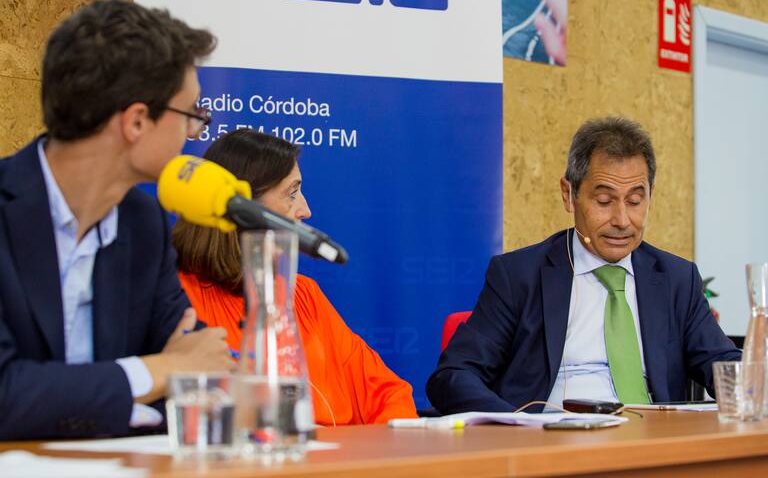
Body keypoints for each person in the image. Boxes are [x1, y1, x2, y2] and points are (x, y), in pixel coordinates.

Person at [0, 0, 232, 440]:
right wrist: (157, 372)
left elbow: (199, 369)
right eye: (191, 115)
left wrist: (171, 372)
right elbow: (5, 393)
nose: (194, 133)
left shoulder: (143, 223)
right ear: (137, 122)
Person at [427, 116, 741, 414]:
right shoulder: (519, 276)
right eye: (604, 201)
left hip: (655, 440)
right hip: (555, 440)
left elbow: (724, 366)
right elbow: (453, 376)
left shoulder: (676, 279)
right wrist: (517, 424)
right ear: (569, 195)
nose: (622, 220)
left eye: (635, 201)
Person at [172, 129, 418, 425]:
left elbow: (390, 394)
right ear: (241, 208)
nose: (306, 210)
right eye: (291, 193)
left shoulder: (303, 293)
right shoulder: (179, 298)